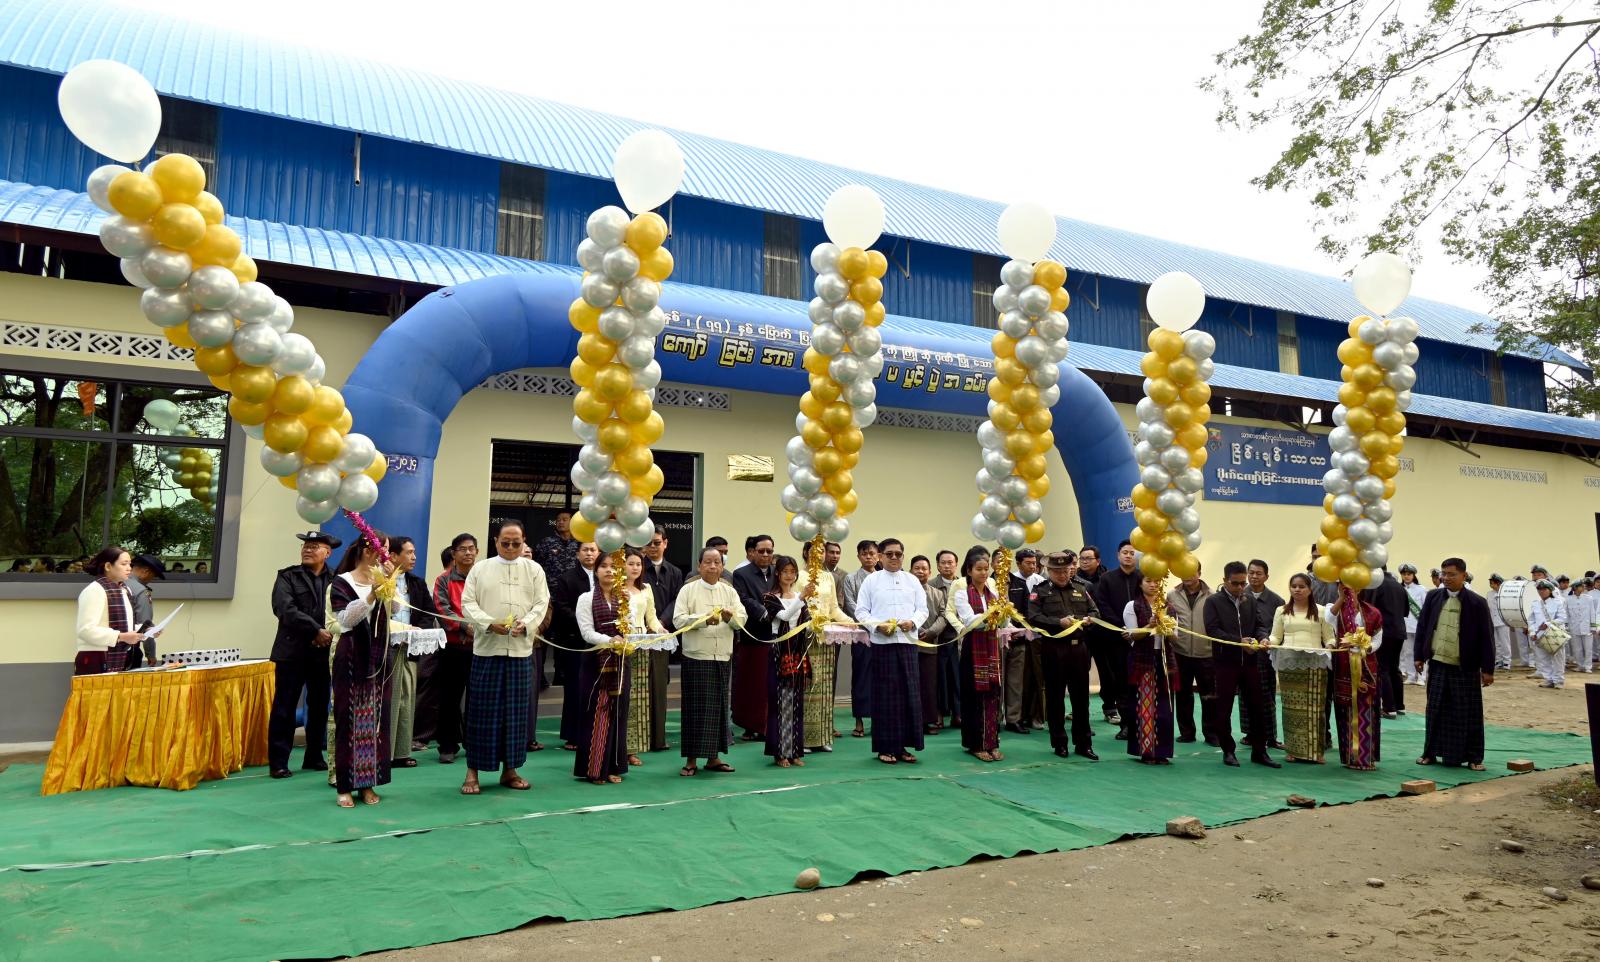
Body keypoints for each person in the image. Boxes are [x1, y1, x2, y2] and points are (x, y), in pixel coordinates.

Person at [458, 522, 550, 795]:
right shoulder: (480, 569)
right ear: (495, 541)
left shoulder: (534, 570)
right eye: (505, 543)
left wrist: (527, 623)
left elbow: (541, 603)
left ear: (524, 541)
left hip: (520, 651)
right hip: (487, 651)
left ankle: (510, 770)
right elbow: (467, 603)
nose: (510, 548)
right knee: (481, 713)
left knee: (516, 715)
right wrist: (488, 623)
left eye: (516, 543)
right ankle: (472, 771)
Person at [326, 533, 398, 808]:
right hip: (351, 656)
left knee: (374, 719)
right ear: (369, 550)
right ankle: (345, 785)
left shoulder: (383, 580)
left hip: (377, 656)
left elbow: (391, 612)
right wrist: (371, 594)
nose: (387, 556)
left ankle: (367, 783)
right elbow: (346, 619)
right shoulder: (342, 582)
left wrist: (388, 584)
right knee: (348, 719)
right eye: (384, 550)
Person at [267, 531, 341, 778]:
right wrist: (315, 630)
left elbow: (340, 610)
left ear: (327, 553)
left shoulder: (337, 579)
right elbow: (284, 609)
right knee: (285, 707)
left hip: (323, 652)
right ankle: (278, 761)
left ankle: (314, 756)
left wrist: (326, 633)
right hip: (292, 652)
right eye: (305, 546)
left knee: (319, 706)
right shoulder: (287, 576)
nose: (307, 550)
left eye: (314, 546)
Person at [1414, 558, 1495, 769]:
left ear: (1463, 576)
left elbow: (1487, 637)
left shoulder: (1477, 602)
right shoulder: (1433, 597)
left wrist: (1488, 669)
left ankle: (1474, 758)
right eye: (1444, 574)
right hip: (1438, 663)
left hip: (1465, 666)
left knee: (1467, 712)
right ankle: (1430, 753)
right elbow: (1423, 627)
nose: (1446, 578)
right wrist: (1419, 656)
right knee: (1435, 709)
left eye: (1452, 574)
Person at [675, 546, 747, 776]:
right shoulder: (688, 590)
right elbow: (678, 620)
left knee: (718, 710)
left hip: (722, 656)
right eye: (708, 562)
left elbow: (742, 619)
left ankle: (713, 758)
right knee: (695, 711)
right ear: (699, 566)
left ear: (723, 566)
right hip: (696, 656)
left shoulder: (729, 591)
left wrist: (730, 618)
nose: (713, 566)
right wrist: (704, 620)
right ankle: (691, 760)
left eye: (717, 562)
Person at [856, 537, 927, 765]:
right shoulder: (871, 581)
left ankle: (903, 746)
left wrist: (912, 622)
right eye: (889, 554)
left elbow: (923, 610)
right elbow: (861, 611)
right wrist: (877, 626)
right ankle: (886, 748)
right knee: (885, 697)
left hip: (907, 643)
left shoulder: (912, 580)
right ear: (880, 556)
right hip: (882, 645)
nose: (894, 557)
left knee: (909, 695)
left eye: (898, 554)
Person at [1203, 561, 1279, 768]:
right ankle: (1228, 751)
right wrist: (1239, 642)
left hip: (1251, 663)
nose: (1239, 587)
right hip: (1225, 664)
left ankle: (1260, 751)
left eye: (1242, 583)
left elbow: (1260, 625)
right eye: (1235, 583)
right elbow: (1212, 631)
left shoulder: (1250, 600)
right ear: (1224, 580)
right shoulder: (1213, 602)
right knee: (1224, 708)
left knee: (1258, 707)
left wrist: (1263, 638)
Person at [1027, 550, 1099, 760]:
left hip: (1079, 649)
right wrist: (1058, 622)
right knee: (1055, 697)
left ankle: (1084, 743)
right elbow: (1033, 617)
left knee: (1081, 699)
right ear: (1049, 571)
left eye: (1065, 570)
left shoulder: (1080, 588)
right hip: (1054, 648)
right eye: (1057, 571)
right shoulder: (1040, 591)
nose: (1062, 575)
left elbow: (1095, 612)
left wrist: (1089, 620)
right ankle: (1059, 743)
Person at [573, 551, 636, 784]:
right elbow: (586, 632)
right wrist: (610, 641)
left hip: (620, 661)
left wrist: (625, 636)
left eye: (613, 567)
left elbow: (631, 627)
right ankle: (594, 769)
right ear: (596, 571)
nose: (609, 570)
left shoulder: (625, 597)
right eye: (604, 566)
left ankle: (613, 767)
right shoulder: (586, 598)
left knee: (618, 711)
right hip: (596, 662)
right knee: (597, 711)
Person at [418, 533, 477, 763]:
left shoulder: (482, 577)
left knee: (477, 698)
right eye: (463, 549)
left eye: (471, 548)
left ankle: (474, 744)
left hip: (480, 647)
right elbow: (442, 611)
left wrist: (481, 627)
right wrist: (466, 627)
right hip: (453, 648)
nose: (468, 552)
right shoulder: (443, 580)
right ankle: (448, 746)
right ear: (453, 553)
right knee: (449, 698)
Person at [384, 536, 440, 769]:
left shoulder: (416, 582)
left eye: (414, 552)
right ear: (393, 556)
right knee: (388, 701)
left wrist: (418, 632)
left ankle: (401, 752)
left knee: (406, 700)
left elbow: (428, 612)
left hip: (409, 647)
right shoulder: (379, 580)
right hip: (385, 646)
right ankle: (384, 753)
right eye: (408, 552)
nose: (414, 557)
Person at [1268, 573, 1335, 764]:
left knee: (1316, 709)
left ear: (1310, 589)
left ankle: (1316, 753)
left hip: (1315, 665)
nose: (1297, 589)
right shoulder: (1281, 610)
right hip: (1289, 665)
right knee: (1291, 709)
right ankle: (1293, 751)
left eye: (1302, 586)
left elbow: (1329, 637)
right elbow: (1275, 636)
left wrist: (1331, 645)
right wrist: (1267, 641)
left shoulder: (1322, 611)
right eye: (1294, 586)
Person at [1121, 574, 1180, 764]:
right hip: (1142, 660)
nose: (1153, 584)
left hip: (1165, 660)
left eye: (1157, 581)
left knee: (1165, 707)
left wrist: (1166, 629)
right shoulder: (1132, 606)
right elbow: (1132, 636)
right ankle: (1146, 752)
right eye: (1148, 581)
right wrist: (1150, 625)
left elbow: (1175, 638)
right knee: (1144, 706)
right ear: (1140, 584)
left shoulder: (1169, 607)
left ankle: (1162, 752)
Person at [1325, 587, 1384, 771]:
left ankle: (1366, 758)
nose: (1349, 589)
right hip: (1343, 667)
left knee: (1367, 709)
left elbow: (1377, 638)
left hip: (1366, 667)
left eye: (1352, 586)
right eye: (1343, 586)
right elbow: (1328, 618)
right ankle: (1350, 757)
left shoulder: (1372, 612)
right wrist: (1341, 598)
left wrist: (1365, 648)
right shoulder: (1336, 609)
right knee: (1345, 709)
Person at [953, 549, 1004, 762]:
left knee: (992, 694)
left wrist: (1004, 613)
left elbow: (1004, 622)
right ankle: (976, 744)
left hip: (991, 648)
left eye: (986, 569)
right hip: (973, 649)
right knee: (974, 696)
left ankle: (992, 742)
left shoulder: (994, 594)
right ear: (969, 571)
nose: (983, 573)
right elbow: (970, 621)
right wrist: (991, 616)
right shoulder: (962, 593)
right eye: (979, 569)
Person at [550, 541, 600, 750]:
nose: (589, 553)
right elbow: (561, 608)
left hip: (601, 641)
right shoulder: (567, 578)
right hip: (574, 640)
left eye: (593, 550)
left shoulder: (606, 576)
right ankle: (573, 735)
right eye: (585, 550)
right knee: (575, 688)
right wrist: (586, 622)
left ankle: (596, 734)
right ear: (578, 554)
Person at [619, 548, 665, 767]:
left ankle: (632, 749)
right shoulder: (615, 587)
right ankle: (617, 747)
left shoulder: (646, 588)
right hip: (621, 646)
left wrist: (660, 629)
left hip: (642, 645)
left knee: (638, 699)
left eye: (638, 564)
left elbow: (652, 617)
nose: (635, 567)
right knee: (621, 696)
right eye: (631, 563)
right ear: (622, 565)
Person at [799, 538, 845, 752]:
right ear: (806, 553)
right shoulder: (799, 576)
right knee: (809, 686)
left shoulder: (829, 577)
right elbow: (796, 604)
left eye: (822, 551)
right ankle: (805, 739)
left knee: (826, 687)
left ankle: (823, 737)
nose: (819, 554)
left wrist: (852, 623)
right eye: (814, 551)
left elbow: (834, 609)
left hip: (827, 637)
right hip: (806, 637)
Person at [74, 546, 149, 675]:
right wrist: (121, 636)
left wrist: (145, 630)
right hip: (96, 656)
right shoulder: (94, 590)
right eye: (124, 564)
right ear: (108, 566)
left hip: (120, 656)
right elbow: (85, 630)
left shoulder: (124, 590)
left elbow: (126, 627)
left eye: (130, 564)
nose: (129, 568)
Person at [1092, 540, 1142, 738]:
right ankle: (1126, 725)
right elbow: (1102, 605)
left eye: (1132, 553)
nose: (1128, 556)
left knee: (1139, 683)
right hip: (1115, 639)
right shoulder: (1107, 578)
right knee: (1121, 683)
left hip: (1140, 639)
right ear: (1118, 555)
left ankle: (1142, 724)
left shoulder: (1144, 578)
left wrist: (1136, 629)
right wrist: (1121, 626)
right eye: (1125, 552)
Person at [764, 554, 810, 767]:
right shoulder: (770, 597)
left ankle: (795, 751)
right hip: (779, 649)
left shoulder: (800, 597)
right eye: (785, 572)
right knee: (779, 701)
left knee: (796, 700)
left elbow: (805, 621)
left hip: (797, 650)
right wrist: (802, 598)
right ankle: (780, 752)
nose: (789, 576)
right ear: (777, 574)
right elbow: (783, 616)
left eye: (793, 572)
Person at [640, 525, 683, 752]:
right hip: (639, 634)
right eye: (649, 543)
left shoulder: (675, 572)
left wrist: (661, 622)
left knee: (659, 685)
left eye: (657, 543)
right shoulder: (637, 567)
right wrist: (647, 623)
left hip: (662, 633)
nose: (653, 547)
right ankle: (639, 736)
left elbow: (677, 600)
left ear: (665, 543)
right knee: (639, 686)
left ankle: (658, 737)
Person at [731, 535, 777, 741]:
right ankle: (750, 725)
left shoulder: (777, 572)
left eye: (769, 551)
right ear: (753, 552)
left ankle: (768, 725)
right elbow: (742, 598)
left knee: (770, 684)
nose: (765, 555)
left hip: (775, 635)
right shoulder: (741, 574)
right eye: (761, 551)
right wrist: (762, 611)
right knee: (751, 684)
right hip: (753, 636)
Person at [1165, 564, 1214, 745]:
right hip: (1180, 652)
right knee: (1183, 695)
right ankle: (1187, 733)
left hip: (1206, 653)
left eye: (1191, 572)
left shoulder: (1212, 595)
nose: (1186, 575)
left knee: (1209, 696)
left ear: (1199, 573)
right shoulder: (1171, 595)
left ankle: (1211, 734)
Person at [1240, 560, 1285, 750]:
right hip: (1243, 654)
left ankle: (1271, 736)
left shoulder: (1277, 601)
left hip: (1266, 656)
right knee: (1245, 696)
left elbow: (1279, 630)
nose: (1254, 576)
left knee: (1267, 698)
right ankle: (1249, 734)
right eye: (1251, 572)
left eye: (1258, 573)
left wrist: (1268, 642)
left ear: (1266, 576)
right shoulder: (1239, 596)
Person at [840, 539, 879, 738]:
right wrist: (872, 622)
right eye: (864, 554)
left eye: (872, 553)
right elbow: (850, 605)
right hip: (862, 634)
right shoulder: (851, 578)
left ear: (878, 556)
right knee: (861, 677)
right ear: (858, 556)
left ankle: (880, 721)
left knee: (882, 678)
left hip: (883, 634)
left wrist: (882, 624)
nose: (868, 557)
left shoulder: (883, 577)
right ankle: (859, 721)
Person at [1362, 566, 1410, 720]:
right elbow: (1406, 611)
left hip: (1383, 631)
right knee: (1394, 668)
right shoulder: (1399, 586)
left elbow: (1368, 608)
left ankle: (1389, 708)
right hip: (1399, 631)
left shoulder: (1375, 584)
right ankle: (1399, 705)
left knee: (1382, 668)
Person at [996, 546, 1034, 734]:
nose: (1001, 564)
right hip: (995, 642)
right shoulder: (988, 584)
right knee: (996, 682)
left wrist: (1021, 630)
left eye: (1005, 561)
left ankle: (1013, 719)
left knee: (1015, 682)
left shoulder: (1019, 583)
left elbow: (1028, 611)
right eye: (998, 561)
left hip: (1018, 640)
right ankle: (995, 718)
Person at [912, 555, 950, 735]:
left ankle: (928, 721)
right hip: (910, 643)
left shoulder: (938, 593)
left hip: (930, 644)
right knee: (911, 684)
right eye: (917, 568)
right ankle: (911, 721)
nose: (920, 571)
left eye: (924, 568)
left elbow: (943, 615)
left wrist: (932, 632)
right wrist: (917, 630)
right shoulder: (906, 592)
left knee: (928, 685)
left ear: (930, 572)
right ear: (910, 571)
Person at [930, 549, 963, 729]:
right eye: (943, 562)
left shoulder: (963, 584)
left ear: (956, 564)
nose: (947, 566)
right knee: (939, 678)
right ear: (937, 565)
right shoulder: (931, 585)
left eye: (950, 562)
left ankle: (958, 714)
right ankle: (939, 714)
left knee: (957, 677)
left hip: (959, 637)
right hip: (938, 638)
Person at [1529, 579, 1568, 689]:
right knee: (1543, 658)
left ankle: (1558, 680)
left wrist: (1548, 624)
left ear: (1550, 590)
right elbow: (1531, 620)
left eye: (1544, 589)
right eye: (1539, 589)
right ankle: (1549, 679)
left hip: (1554, 634)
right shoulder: (1535, 603)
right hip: (1540, 634)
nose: (1541, 591)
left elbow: (1563, 618)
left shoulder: (1558, 602)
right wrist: (1532, 632)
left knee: (1557, 659)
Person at [128, 553, 165, 663]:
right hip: (129, 650)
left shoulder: (114, 584)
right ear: (146, 571)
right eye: (153, 576)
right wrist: (151, 654)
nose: (151, 580)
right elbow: (145, 625)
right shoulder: (141, 591)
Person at [1398, 564, 1429, 683]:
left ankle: (1421, 677)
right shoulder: (1399, 588)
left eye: (1409, 574)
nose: (1406, 576)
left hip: (1418, 625)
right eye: (1404, 574)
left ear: (1413, 575)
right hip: (1405, 625)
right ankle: (1411, 676)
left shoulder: (1421, 589)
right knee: (1408, 652)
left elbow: (1425, 607)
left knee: (1421, 651)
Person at [533, 510, 580, 580]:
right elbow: (536, 563)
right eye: (558, 520)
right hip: (552, 584)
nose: (561, 522)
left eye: (564, 520)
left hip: (573, 584)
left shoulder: (579, 543)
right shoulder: (546, 542)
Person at [1485, 574, 1512, 670]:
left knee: (1505, 642)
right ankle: (1498, 660)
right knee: (1496, 643)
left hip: (1503, 621)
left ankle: (1507, 661)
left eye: (1493, 583)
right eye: (1490, 583)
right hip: (1492, 621)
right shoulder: (1489, 594)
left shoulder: (1505, 593)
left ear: (1498, 583)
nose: (1491, 584)